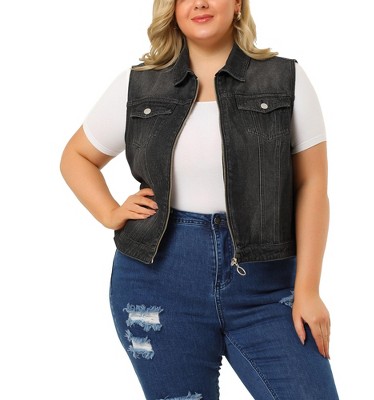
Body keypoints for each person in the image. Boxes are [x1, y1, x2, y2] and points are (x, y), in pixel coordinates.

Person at [60, 0, 339, 398]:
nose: (200, 3)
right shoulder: (138, 85)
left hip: (266, 285)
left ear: (238, 4)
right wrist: (109, 212)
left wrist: (308, 290)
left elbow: (311, 185)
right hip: (157, 282)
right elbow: (77, 156)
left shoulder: (284, 78)